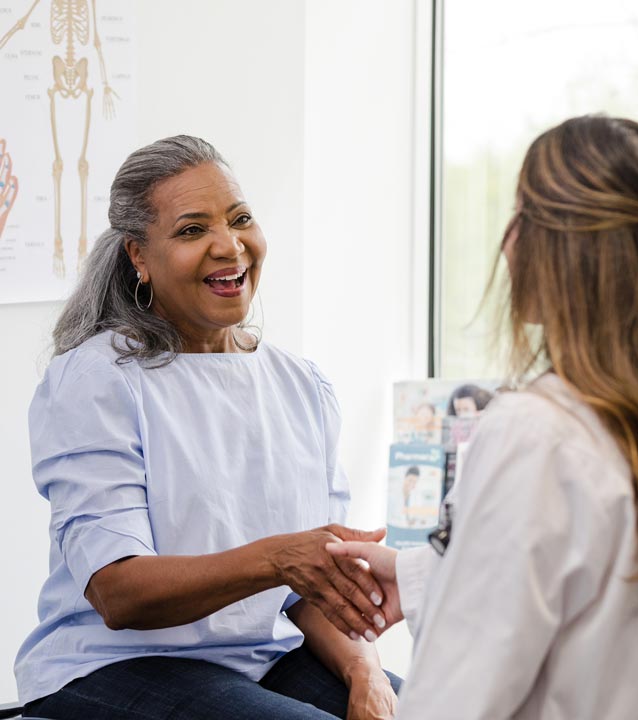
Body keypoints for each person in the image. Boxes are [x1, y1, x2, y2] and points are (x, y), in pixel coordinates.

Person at [329, 116, 638, 718]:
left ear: (559, 248)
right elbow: (603, 589)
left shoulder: (535, 435)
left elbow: (457, 700)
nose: (507, 242)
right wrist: (418, 577)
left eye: (520, 217)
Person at [15, 135, 400, 720]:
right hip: (113, 665)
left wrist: (364, 672)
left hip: (264, 654)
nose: (230, 245)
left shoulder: (302, 384)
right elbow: (119, 593)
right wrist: (276, 558)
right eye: (193, 230)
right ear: (139, 257)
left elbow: (310, 588)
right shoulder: (97, 381)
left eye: (240, 218)